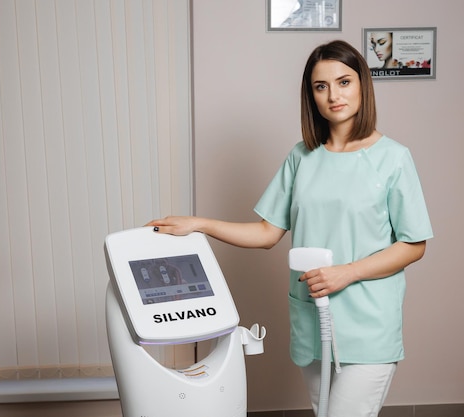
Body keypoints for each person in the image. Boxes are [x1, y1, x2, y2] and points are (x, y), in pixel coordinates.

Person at [146, 39, 433, 417]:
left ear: (363, 84)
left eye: (344, 82)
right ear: (311, 95)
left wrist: (346, 274)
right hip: (312, 320)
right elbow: (267, 233)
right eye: (321, 86)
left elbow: (414, 245)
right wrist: (200, 224)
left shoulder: (393, 159)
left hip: (368, 325)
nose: (334, 95)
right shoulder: (302, 157)